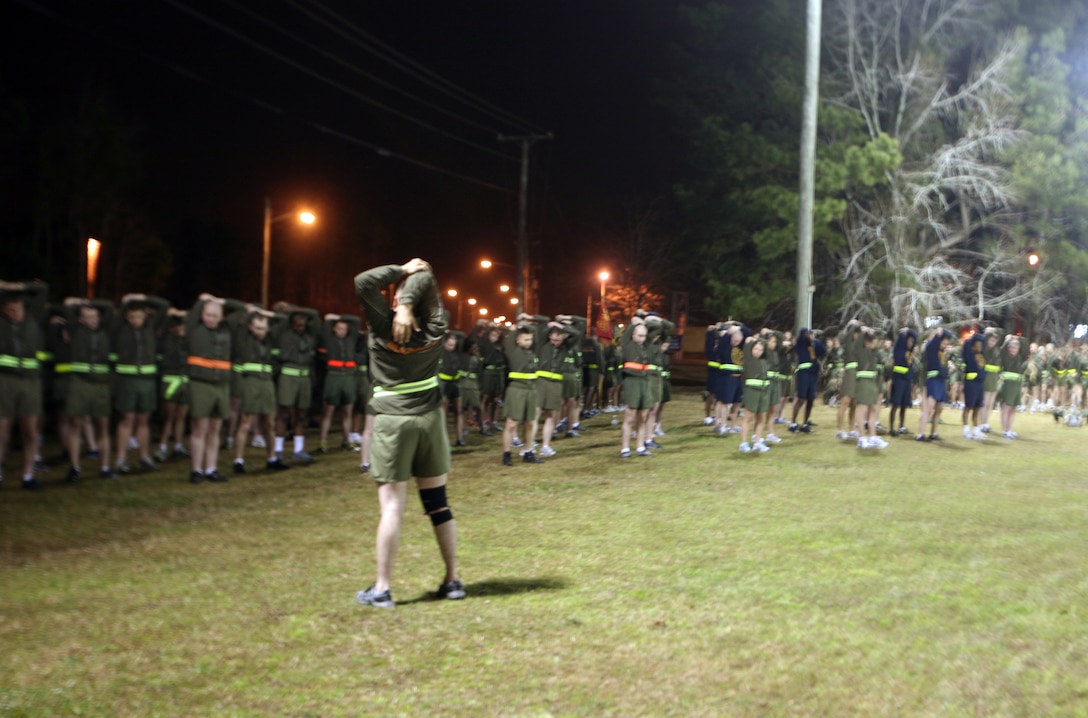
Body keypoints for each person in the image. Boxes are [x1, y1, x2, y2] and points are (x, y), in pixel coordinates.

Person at [353, 258, 463, 608]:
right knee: (438, 505)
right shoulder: (435, 326)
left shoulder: (381, 326)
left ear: (396, 301)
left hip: (391, 423)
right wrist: (413, 291)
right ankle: (453, 580)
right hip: (429, 421)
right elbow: (428, 280)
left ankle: (383, 588)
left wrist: (400, 271)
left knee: (392, 508)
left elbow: (363, 282)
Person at [0, 280, 49, 490]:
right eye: (10, 309)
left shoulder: (34, 318)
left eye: (18, 308)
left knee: (30, 431)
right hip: (5, 380)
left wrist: (12, 286)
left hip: (30, 381)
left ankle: (28, 475)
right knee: (2, 431)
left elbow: (42, 289)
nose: (15, 312)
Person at [112, 293, 169, 473]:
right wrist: (126, 301)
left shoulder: (151, 327)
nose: (135, 320)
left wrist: (143, 298)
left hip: (147, 380)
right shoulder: (121, 328)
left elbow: (164, 304)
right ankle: (121, 459)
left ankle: (144, 457)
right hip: (127, 380)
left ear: (145, 316)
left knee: (144, 420)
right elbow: (117, 315)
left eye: (138, 316)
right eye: (131, 317)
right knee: (126, 419)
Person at [186, 294, 240, 483]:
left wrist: (220, 301)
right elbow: (194, 312)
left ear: (221, 317)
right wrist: (203, 301)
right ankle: (196, 470)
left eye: (215, 315)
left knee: (215, 429)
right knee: (199, 427)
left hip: (222, 385)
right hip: (201, 383)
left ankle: (211, 469)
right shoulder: (194, 327)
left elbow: (241, 309)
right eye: (207, 315)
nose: (211, 319)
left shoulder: (226, 329)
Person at [230, 304, 289, 473]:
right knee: (245, 421)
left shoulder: (270, 339)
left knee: (269, 422)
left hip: (267, 382)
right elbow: (242, 320)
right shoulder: (243, 338)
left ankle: (271, 458)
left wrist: (264, 313)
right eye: (257, 327)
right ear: (250, 327)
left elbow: (283, 320)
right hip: (250, 382)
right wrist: (251, 313)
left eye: (263, 328)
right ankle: (238, 460)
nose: (260, 331)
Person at [63, 297, 116, 481]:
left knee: (102, 425)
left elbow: (108, 305)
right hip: (79, 383)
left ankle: (105, 467)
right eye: (88, 317)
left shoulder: (105, 331)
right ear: (81, 319)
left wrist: (88, 302)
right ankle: (75, 467)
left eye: (95, 316)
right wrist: (80, 304)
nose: (93, 320)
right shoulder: (76, 330)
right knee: (75, 424)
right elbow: (68, 306)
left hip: (101, 383)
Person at [273, 303, 320, 464]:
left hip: (304, 376)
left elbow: (314, 313)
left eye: (303, 324)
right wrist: (290, 313)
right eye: (297, 324)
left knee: (301, 414)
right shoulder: (284, 333)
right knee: (283, 413)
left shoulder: (309, 335)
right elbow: (280, 317)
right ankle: (278, 450)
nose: (301, 327)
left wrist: (296, 310)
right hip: (288, 375)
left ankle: (298, 449)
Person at [500, 316, 544, 465]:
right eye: (525, 339)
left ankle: (528, 451)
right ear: (517, 340)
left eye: (530, 339)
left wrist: (530, 321)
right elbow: (511, 336)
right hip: (517, 389)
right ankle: (506, 454)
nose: (529, 342)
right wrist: (519, 324)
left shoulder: (532, 352)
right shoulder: (512, 351)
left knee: (530, 423)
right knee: (511, 423)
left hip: (531, 389)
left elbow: (537, 332)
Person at [318, 313, 362, 452]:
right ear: (334, 329)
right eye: (339, 328)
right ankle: (323, 441)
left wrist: (338, 317)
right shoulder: (329, 339)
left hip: (348, 377)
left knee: (347, 411)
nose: (342, 331)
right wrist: (332, 320)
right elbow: (325, 324)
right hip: (334, 376)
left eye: (344, 329)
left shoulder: (350, 339)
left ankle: (346, 440)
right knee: (328, 411)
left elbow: (356, 320)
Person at [155, 309, 191, 462]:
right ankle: (162, 447)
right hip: (170, 381)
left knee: (181, 417)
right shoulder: (165, 339)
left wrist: (185, 315)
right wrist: (170, 314)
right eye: (178, 327)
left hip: (185, 381)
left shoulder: (187, 340)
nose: (180, 330)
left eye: (183, 327)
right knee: (169, 417)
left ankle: (178, 445)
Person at [618, 317, 655, 457]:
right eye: (639, 335)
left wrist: (647, 321)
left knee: (643, 416)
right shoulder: (627, 344)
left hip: (645, 381)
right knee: (629, 417)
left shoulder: (645, 346)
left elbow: (656, 329)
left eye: (644, 336)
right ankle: (625, 448)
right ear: (633, 335)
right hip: (632, 381)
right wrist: (637, 322)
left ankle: (640, 447)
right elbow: (628, 330)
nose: (642, 338)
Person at [917, 326, 954, 441]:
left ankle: (933, 433)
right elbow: (945, 332)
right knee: (929, 408)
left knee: (939, 408)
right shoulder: (931, 348)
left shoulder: (942, 354)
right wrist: (939, 333)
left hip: (941, 381)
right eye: (943, 342)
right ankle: (920, 434)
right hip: (933, 381)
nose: (945, 345)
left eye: (946, 343)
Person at [854, 327, 888, 449]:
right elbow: (858, 342)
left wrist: (874, 333)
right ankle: (861, 438)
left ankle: (873, 437)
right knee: (862, 410)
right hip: (863, 383)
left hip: (873, 383)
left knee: (873, 409)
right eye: (873, 341)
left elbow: (880, 339)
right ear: (867, 342)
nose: (875, 343)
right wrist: (863, 331)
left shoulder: (874, 352)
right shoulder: (860, 351)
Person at [738, 334, 772, 453]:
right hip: (752, 391)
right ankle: (743, 443)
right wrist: (755, 340)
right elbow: (747, 345)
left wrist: (763, 342)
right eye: (755, 349)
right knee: (748, 417)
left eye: (760, 350)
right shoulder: (748, 359)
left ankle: (757, 442)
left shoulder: (765, 361)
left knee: (760, 417)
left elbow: (770, 351)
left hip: (764, 391)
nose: (757, 351)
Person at [789, 327, 826, 433]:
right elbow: (801, 339)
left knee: (810, 399)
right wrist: (807, 335)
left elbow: (823, 350)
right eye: (807, 334)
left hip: (813, 374)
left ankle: (805, 423)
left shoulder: (813, 346)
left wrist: (815, 340)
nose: (809, 335)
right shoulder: (801, 345)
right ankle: (793, 422)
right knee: (801, 397)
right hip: (803, 373)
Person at [889, 327, 918, 435]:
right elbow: (901, 337)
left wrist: (910, 331)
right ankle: (892, 428)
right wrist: (906, 332)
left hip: (907, 380)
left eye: (912, 342)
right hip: (898, 379)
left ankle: (901, 426)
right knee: (895, 404)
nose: (911, 343)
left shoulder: (909, 352)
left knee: (904, 405)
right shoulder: (899, 349)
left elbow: (916, 337)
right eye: (909, 341)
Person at [997, 334, 1027, 439]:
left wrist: (1018, 338)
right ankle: (1005, 430)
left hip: (1017, 384)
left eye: (1015, 348)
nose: (1013, 350)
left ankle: (1010, 429)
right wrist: (1007, 341)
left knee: (1013, 408)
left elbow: (1025, 344)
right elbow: (1002, 350)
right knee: (1006, 407)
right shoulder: (1006, 356)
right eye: (1011, 347)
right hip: (1008, 384)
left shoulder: (1020, 357)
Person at [961, 329, 987, 440]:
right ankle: (966, 429)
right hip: (970, 383)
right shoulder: (969, 355)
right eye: (977, 345)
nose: (979, 347)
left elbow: (984, 342)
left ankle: (976, 430)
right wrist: (972, 338)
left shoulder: (981, 356)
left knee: (977, 407)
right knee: (968, 407)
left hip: (979, 384)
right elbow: (966, 346)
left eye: (981, 345)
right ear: (973, 346)